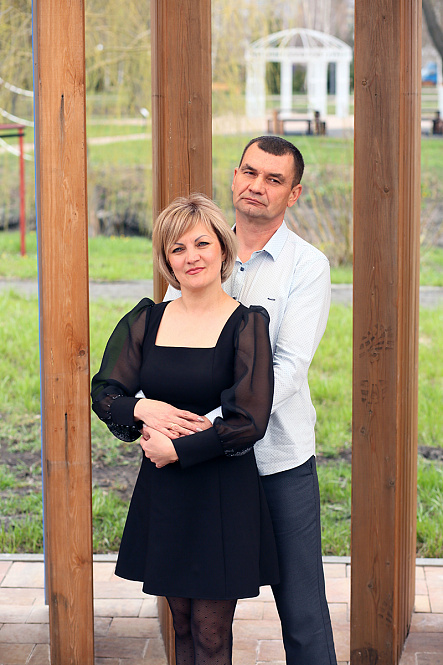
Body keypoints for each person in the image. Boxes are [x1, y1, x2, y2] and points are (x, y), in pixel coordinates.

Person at [155, 136, 337, 664]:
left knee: (302, 609)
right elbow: (166, 345)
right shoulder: (198, 250)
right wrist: (155, 412)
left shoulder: (307, 266)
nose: (258, 186)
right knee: (202, 613)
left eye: (274, 179)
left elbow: (288, 369)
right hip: (205, 468)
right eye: (250, 172)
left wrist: (205, 426)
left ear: (293, 193)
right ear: (235, 177)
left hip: (276, 461)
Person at [91, 193, 279, 665]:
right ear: (166, 260)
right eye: (177, 248)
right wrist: (144, 408)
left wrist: (179, 450)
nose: (191, 256)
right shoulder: (146, 319)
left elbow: (249, 419)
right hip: (166, 491)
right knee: (180, 626)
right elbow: (105, 392)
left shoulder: (247, 324)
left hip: (221, 491)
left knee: (210, 634)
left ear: (222, 249)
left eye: (201, 243)